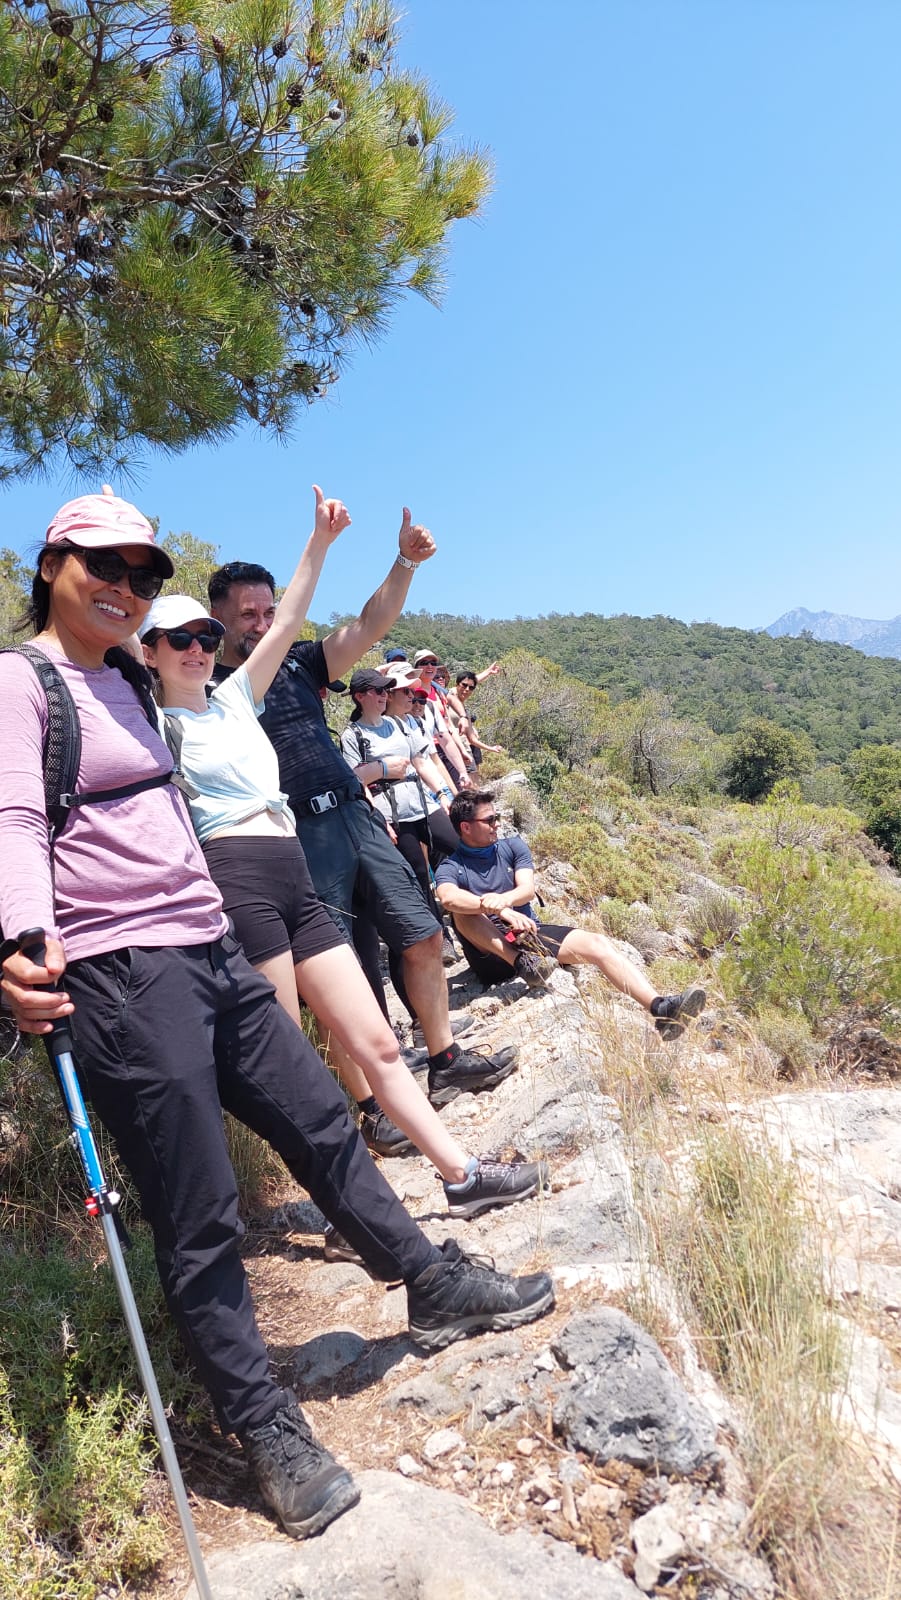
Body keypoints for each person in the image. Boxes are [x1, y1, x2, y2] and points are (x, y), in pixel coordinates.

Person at [0, 491, 555, 1545]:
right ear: (51, 564)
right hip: (120, 975)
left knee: (319, 1121)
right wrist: (25, 943)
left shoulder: (124, 674)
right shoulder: (20, 684)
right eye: (101, 566)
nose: (124, 587)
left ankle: (430, 1279)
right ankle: (261, 1424)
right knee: (198, 1205)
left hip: (208, 939)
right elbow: (16, 819)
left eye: (143, 571)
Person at [139, 508, 545, 1210]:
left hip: (343, 818)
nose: (249, 626)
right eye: (231, 618)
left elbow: (363, 626)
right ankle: (359, 1142)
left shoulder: (265, 676)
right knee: (294, 1024)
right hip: (270, 850)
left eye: (206, 636)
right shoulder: (174, 708)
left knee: (415, 936)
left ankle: (442, 1077)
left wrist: (393, 561)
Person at [206, 519, 519, 1110]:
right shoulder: (208, 686)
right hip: (294, 836)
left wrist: (405, 564)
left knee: (423, 936)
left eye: (269, 611)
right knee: (336, 974)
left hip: (355, 816)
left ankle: (444, 1059)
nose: (261, 623)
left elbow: (369, 625)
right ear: (217, 618)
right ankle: (371, 1107)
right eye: (247, 614)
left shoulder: (300, 662)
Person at [436, 790, 706, 1040]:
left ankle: (661, 1008)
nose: (497, 823)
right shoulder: (452, 866)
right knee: (463, 914)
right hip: (491, 954)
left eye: (498, 817)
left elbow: (527, 889)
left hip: (528, 935)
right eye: (490, 819)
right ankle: (521, 964)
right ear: (466, 827)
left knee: (597, 944)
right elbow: (448, 897)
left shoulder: (512, 847)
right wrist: (495, 908)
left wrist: (505, 901)